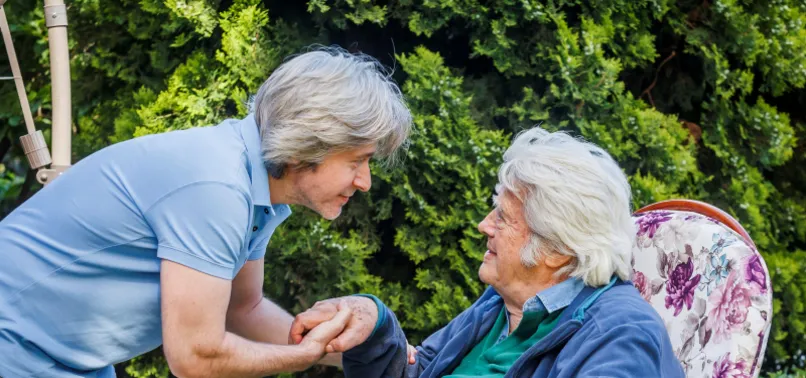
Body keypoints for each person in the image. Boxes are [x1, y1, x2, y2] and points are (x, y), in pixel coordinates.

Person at [0, 46, 412, 378]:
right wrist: (300, 357)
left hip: (64, 359)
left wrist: (373, 352)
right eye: (357, 160)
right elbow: (195, 357)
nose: (365, 181)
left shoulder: (254, 186)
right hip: (16, 345)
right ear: (310, 143)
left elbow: (243, 310)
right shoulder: (216, 186)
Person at [290, 127, 686, 377]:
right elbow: (422, 369)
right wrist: (374, 325)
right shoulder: (503, 304)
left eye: (503, 217)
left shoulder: (621, 336)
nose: (484, 225)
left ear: (557, 250)